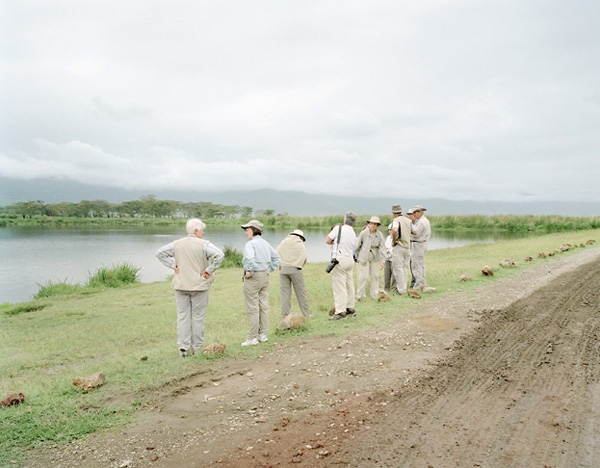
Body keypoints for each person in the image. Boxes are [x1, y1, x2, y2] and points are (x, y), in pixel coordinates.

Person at [155, 218, 224, 358]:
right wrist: (209, 270)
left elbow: (159, 253)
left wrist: (172, 266)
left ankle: (183, 348)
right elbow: (220, 255)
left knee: (182, 317)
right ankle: (197, 348)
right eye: (202, 230)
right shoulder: (204, 244)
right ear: (196, 230)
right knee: (197, 317)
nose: (203, 233)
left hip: (181, 285)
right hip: (199, 285)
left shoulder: (177, 244)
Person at [240, 220, 280, 347]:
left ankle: (252, 337)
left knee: (252, 307)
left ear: (253, 230)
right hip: (264, 275)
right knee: (263, 305)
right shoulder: (265, 243)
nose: (245, 232)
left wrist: (250, 270)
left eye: (247, 229)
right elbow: (277, 258)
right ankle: (262, 334)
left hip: (254, 277)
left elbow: (250, 259)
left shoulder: (250, 244)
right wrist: (269, 269)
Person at [326, 211, 357, 320]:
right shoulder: (352, 232)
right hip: (349, 259)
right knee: (349, 284)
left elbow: (328, 240)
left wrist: (334, 244)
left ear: (345, 219)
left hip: (339, 259)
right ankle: (350, 308)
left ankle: (340, 312)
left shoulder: (339, 228)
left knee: (339, 286)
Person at [276, 229, 311, 318]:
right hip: (296, 269)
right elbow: (305, 259)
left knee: (285, 294)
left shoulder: (283, 242)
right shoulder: (300, 245)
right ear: (300, 237)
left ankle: (285, 315)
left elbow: (276, 254)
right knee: (301, 293)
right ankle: (306, 314)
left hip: (283, 269)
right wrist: (299, 265)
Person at [355, 216, 385, 300]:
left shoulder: (379, 235)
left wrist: (383, 261)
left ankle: (374, 296)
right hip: (364, 256)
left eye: (375, 224)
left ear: (378, 225)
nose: (373, 225)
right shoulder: (364, 233)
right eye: (372, 223)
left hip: (375, 257)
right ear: (369, 224)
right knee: (363, 277)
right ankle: (359, 296)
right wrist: (356, 255)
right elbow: (357, 245)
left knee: (375, 276)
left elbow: (382, 247)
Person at [391, 204, 414, 295]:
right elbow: (414, 231)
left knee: (398, 268)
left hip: (399, 245)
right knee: (405, 268)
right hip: (407, 247)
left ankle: (401, 290)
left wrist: (394, 240)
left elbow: (395, 230)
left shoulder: (396, 220)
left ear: (394, 213)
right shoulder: (408, 221)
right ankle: (404, 287)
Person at [411, 205, 432, 290]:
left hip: (419, 244)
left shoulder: (421, 222)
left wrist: (408, 235)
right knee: (421, 264)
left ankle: (418, 284)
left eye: (415, 212)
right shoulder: (424, 220)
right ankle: (422, 282)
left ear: (419, 212)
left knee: (416, 264)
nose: (414, 214)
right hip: (423, 244)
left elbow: (416, 233)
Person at [383, 223, 397, 292]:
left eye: (391, 230)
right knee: (386, 274)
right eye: (389, 230)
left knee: (394, 274)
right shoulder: (388, 238)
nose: (390, 231)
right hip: (387, 258)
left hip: (394, 258)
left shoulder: (397, 238)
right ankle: (386, 288)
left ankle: (394, 288)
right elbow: (385, 247)